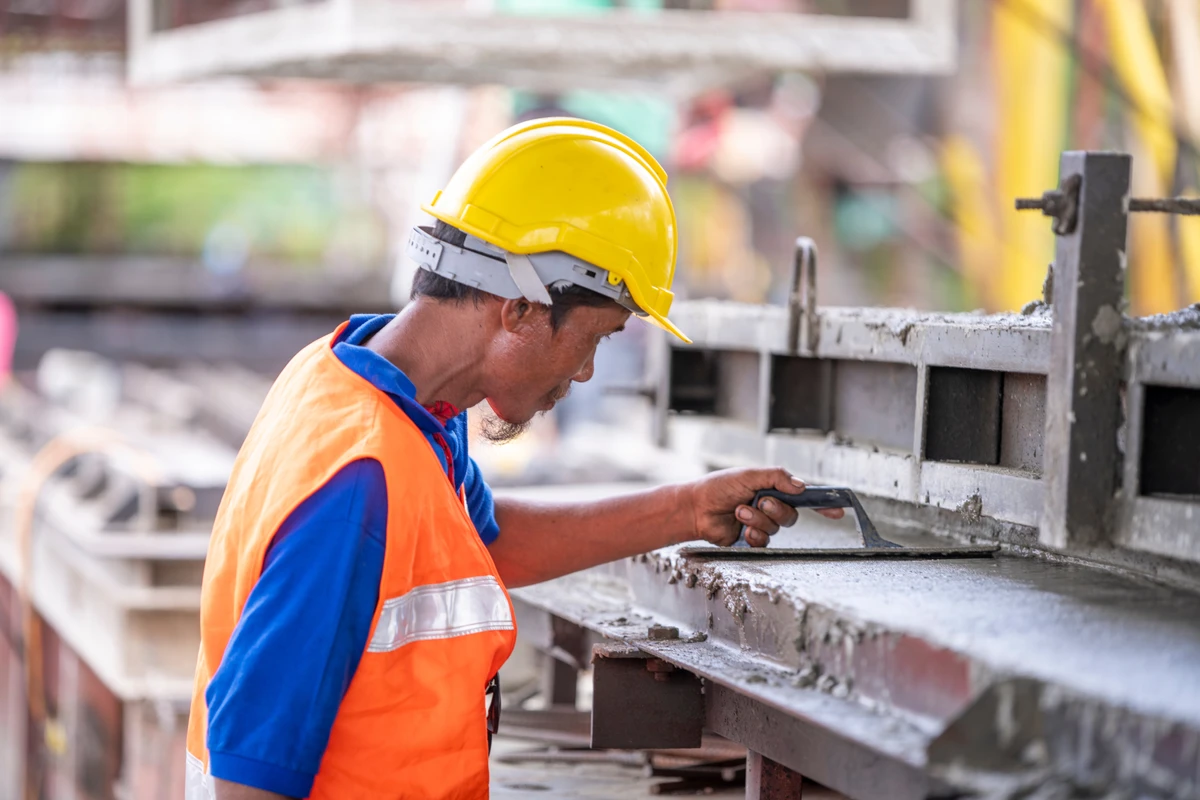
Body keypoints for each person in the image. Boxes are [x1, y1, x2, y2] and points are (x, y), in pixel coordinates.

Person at [184, 118, 839, 800]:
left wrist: (686, 509)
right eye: (595, 339)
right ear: (521, 309)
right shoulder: (358, 483)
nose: (585, 372)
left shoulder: (370, 394)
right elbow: (249, 768)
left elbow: (483, 543)